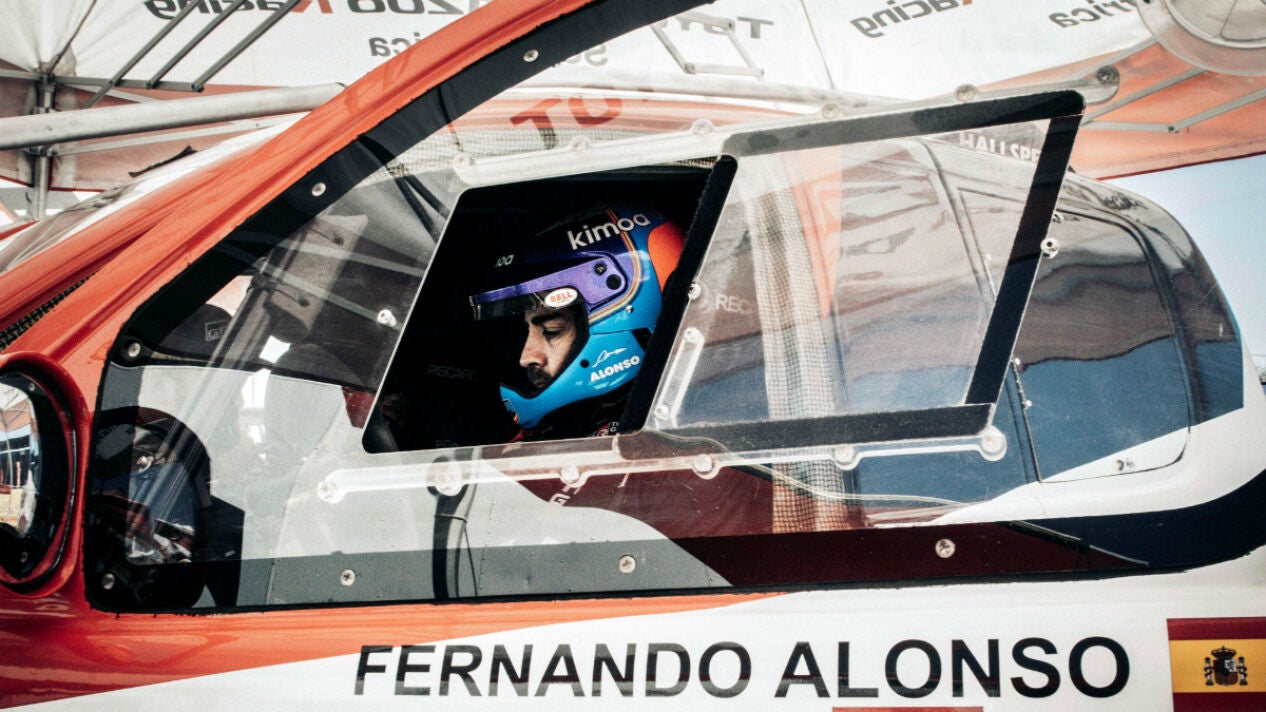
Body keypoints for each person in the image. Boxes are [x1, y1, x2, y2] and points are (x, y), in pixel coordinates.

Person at [469, 205, 686, 440]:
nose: (526, 357)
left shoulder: (687, 437)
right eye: (525, 331)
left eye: (551, 331)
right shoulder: (535, 438)